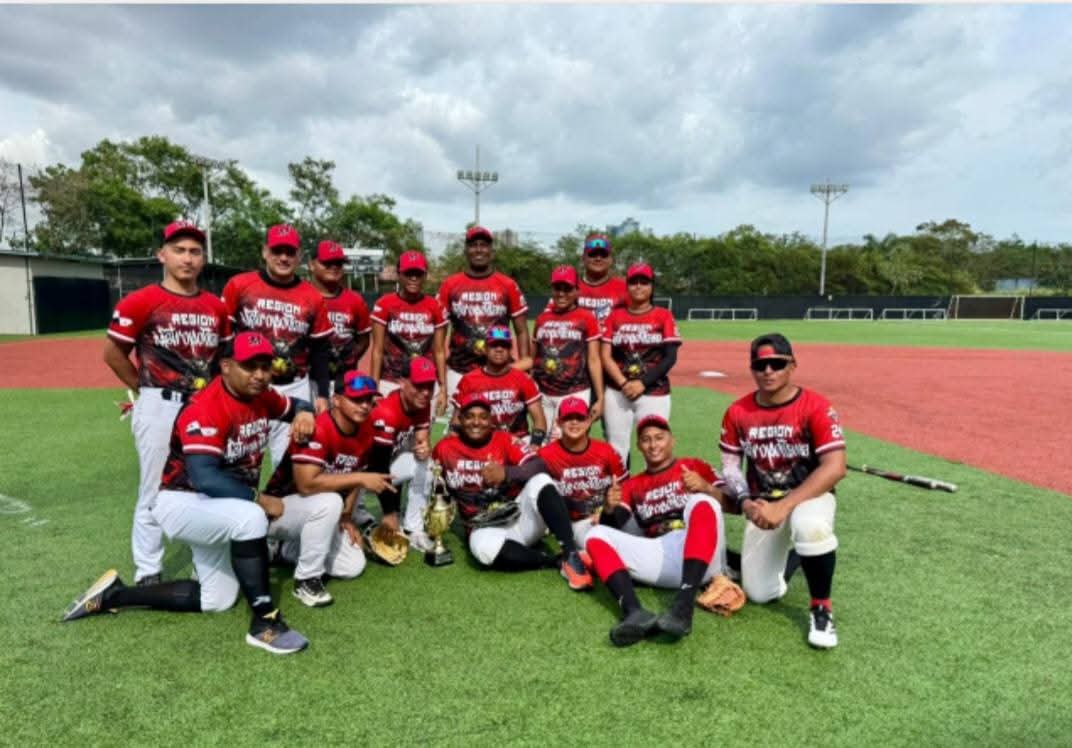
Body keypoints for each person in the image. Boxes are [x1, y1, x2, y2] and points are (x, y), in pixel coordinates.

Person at [62, 331, 316, 655]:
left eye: (265, 366)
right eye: (249, 366)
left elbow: (296, 405)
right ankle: (264, 621)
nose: (259, 375)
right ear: (226, 366)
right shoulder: (206, 406)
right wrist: (260, 499)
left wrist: (304, 412)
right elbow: (205, 478)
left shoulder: (262, 396)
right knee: (251, 517)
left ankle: (115, 595)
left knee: (217, 599)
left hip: (218, 506)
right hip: (183, 502)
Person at [102, 220, 232, 586]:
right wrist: (143, 390)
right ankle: (148, 569)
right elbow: (112, 354)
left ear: (203, 258)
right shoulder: (141, 301)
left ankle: (206, 561)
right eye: (179, 250)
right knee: (154, 487)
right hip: (160, 402)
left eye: (195, 252)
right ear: (162, 255)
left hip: (203, 407)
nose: (187, 259)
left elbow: (224, 360)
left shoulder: (216, 307)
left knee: (205, 483)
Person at [719, 333, 846, 649]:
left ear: (792, 365)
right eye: (760, 365)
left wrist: (784, 506)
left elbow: (835, 467)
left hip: (808, 497)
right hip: (763, 505)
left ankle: (821, 609)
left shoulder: (816, 406)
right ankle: (798, 556)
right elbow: (731, 467)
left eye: (777, 364)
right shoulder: (737, 412)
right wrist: (746, 502)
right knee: (760, 593)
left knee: (810, 527)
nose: (768, 371)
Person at [585, 415, 727, 647]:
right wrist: (609, 509)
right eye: (646, 439)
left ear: (672, 440)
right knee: (595, 534)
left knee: (702, 501)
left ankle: (684, 605)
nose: (653, 445)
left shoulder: (693, 466)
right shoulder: (633, 485)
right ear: (639, 446)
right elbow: (613, 527)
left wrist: (706, 487)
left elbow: (733, 506)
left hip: (702, 553)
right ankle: (634, 612)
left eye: (659, 438)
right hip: (663, 555)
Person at [430, 393, 592, 590]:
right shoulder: (445, 448)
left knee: (541, 480)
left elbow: (538, 464)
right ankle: (554, 561)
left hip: (520, 518)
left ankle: (571, 554)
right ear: (460, 419)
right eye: (470, 416)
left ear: (491, 420)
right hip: (483, 527)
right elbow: (434, 487)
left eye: (483, 417)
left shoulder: (504, 439)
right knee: (483, 551)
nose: (476, 422)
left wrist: (506, 473)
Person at [261, 370, 395, 607]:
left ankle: (283, 550)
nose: (364, 406)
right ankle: (306, 580)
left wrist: (346, 517)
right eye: (356, 399)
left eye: (368, 399)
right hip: (279, 510)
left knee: (352, 566)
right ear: (337, 400)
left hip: (319, 513)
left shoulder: (366, 429)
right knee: (331, 501)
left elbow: (355, 475)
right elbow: (306, 484)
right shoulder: (316, 427)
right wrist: (361, 478)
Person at [220, 223, 333, 467]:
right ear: (265, 252)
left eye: (290, 252)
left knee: (290, 463)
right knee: (240, 461)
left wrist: (323, 394)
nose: (283, 258)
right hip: (248, 388)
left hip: (293, 388)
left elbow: (320, 351)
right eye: (277, 251)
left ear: (299, 256)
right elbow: (224, 338)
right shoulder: (239, 285)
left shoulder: (313, 297)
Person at [436, 225, 530, 408]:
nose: (479, 250)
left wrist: (524, 366)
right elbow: (438, 336)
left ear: (491, 251)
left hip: (499, 372)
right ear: (466, 250)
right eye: (473, 245)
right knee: (457, 423)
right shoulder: (450, 284)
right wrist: (442, 382)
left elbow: (522, 331)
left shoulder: (507, 285)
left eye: (484, 245)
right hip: (459, 371)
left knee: (499, 422)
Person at [600, 262, 681, 466]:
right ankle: (621, 487)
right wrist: (623, 383)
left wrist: (642, 383)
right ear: (627, 286)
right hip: (618, 391)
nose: (638, 286)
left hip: (654, 391)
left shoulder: (663, 315)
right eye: (633, 282)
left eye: (644, 282)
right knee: (617, 449)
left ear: (652, 286)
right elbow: (605, 355)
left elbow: (670, 357)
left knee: (655, 448)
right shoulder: (614, 316)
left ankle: (653, 488)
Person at [358, 356, 437, 552]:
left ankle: (414, 529)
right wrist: (390, 512)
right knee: (349, 526)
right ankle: (359, 514)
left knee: (426, 465)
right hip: (355, 475)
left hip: (379, 467)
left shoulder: (421, 403)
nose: (426, 392)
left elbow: (421, 440)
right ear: (402, 382)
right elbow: (378, 466)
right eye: (419, 386)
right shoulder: (387, 412)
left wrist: (424, 448)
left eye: (430, 386)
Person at [536, 397, 627, 548]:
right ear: (558, 422)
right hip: (576, 523)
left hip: (608, 513)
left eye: (580, 418)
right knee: (598, 541)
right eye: (568, 418)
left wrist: (609, 512)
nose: (574, 422)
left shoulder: (606, 450)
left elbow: (626, 487)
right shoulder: (545, 455)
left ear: (589, 421)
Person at [369, 250, 448, 413]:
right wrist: (373, 387)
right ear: (399, 274)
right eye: (408, 273)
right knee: (387, 424)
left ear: (425, 276)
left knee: (421, 427)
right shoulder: (385, 304)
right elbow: (377, 350)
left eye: (418, 274)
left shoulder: (436, 306)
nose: (413, 278)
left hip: (424, 382)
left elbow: (439, 351)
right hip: (391, 380)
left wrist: (443, 387)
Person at [531, 265, 603, 439]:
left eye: (567, 289)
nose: (561, 293)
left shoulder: (587, 318)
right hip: (544, 394)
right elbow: (533, 358)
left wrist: (600, 398)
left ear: (577, 291)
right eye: (557, 288)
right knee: (542, 444)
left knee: (568, 441)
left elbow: (594, 359)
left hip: (574, 392)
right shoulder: (542, 319)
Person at [450, 326, 545, 445]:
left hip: (518, 441)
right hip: (483, 442)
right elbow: (456, 423)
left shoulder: (523, 379)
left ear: (510, 350)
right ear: (485, 349)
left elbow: (539, 420)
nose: (499, 349)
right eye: (494, 345)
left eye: (504, 346)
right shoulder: (469, 380)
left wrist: (535, 445)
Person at [308, 240, 371, 394]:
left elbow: (363, 340)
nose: (334, 267)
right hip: (307, 381)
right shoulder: (301, 296)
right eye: (327, 263)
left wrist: (348, 359)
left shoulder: (355, 300)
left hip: (344, 380)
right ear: (311, 265)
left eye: (339, 263)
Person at [575, 233, 628, 324]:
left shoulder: (625, 288)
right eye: (593, 254)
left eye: (603, 255)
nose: (598, 258)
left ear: (611, 259)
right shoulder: (570, 288)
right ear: (583, 258)